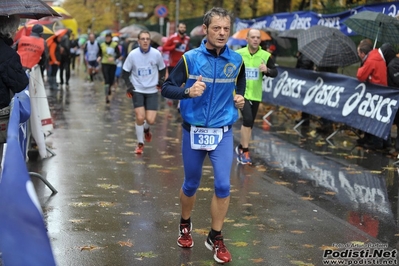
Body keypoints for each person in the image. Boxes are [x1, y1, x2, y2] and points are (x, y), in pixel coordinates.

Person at [161, 7, 246, 264]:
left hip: (222, 131)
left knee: (222, 185)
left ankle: (215, 236)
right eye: (216, 28)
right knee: (191, 183)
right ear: (206, 30)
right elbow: (166, 88)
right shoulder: (190, 59)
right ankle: (185, 224)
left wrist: (240, 99)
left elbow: (239, 87)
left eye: (226, 29)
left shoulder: (237, 61)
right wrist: (188, 92)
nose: (222, 33)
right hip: (194, 131)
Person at [235, 28, 278, 165]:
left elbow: (275, 72)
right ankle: (245, 151)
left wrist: (267, 70)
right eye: (252, 37)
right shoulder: (238, 54)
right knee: (247, 119)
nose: (255, 39)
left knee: (250, 123)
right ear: (246, 39)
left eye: (257, 37)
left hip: (256, 94)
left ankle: (241, 148)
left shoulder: (265, 56)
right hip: (242, 93)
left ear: (260, 40)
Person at [122, 30, 166, 154]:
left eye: (147, 39)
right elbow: (125, 72)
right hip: (138, 89)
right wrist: (129, 86)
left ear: (150, 41)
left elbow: (162, 69)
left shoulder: (156, 54)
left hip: (152, 90)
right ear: (139, 41)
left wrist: (161, 81)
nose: (145, 41)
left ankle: (146, 129)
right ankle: (140, 143)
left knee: (150, 120)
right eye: (143, 39)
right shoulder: (133, 55)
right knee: (140, 117)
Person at [356, 39, 389, 149]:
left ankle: (376, 143)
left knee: (374, 119)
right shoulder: (376, 56)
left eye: (358, 53)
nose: (358, 55)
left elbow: (360, 76)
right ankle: (381, 142)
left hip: (376, 92)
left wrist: (361, 67)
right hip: (380, 91)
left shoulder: (370, 60)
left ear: (363, 53)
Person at [0, 15, 29, 110]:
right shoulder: (8, 53)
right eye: (16, 29)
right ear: (9, 31)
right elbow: (20, 84)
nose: (16, 32)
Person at [100, 32, 121, 103]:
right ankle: (106, 96)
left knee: (111, 79)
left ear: (111, 38)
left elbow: (118, 54)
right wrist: (99, 57)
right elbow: (100, 53)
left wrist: (114, 58)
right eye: (106, 38)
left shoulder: (114, 45)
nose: (107, 39)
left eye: (109, 37)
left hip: (112, 64)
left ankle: (109, 88)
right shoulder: (102, 45)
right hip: (104, 63)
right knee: (106, 78)